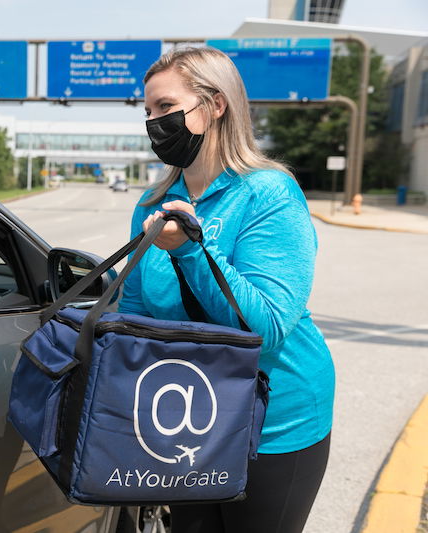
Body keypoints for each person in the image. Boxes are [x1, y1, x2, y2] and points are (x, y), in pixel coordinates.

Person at [119, 47, 334, 533]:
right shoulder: (153, 204)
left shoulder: (268, 193)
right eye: (148, 111)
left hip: (276, 424)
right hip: (191, 419)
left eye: (166, 108)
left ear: (215, 105)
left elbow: (268, 328)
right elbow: (132, 314)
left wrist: (191, 251)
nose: (154, 122)